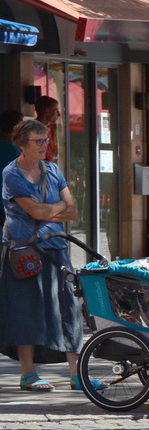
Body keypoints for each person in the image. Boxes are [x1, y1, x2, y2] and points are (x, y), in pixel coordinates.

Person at [2, 116, 80, 391]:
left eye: (46, 139)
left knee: (69, 308)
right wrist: (57, 207)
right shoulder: (12, 174)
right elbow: (37, 212)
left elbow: (74, 210)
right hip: (26, 251)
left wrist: (51, 207)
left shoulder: (53, 170)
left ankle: (77, 374)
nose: (45, 145)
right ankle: (28, 373)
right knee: (27, 310)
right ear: (23, 145)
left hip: (56, 248)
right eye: (39, 141)